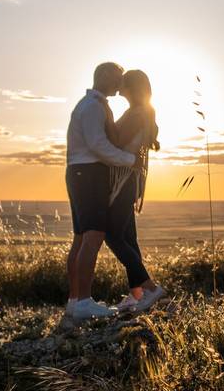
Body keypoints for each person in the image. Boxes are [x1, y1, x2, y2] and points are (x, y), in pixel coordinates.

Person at [64, 62, 142, 320]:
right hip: (88, 173)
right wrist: (130, 160)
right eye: (117, 79)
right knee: (94, 235)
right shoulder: (93, 107)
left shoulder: (90, 105)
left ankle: (75, 301)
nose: (120, 86)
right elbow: (98, 145)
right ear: (105, 76)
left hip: (80, 173)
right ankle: (84, 301)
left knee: (81, 237)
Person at [105, 69, 165, 312]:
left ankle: (150, 289)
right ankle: (137, 294)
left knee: (113, 235)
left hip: (123, 179)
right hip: (131, 179)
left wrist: (104, 119)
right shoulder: (144, 112)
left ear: (131, 88)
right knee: (128, 237)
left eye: (122, 84)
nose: (118, 88)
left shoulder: (136, 114)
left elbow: (115, 142)